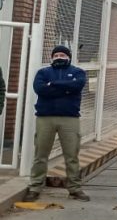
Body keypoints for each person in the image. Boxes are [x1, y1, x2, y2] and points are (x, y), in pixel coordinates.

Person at [22, 45, 89, 202]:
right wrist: (65, 87)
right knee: (41, 154)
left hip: (70, 119)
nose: (59, 57)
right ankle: (35, 187)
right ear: (52, 57)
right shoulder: (43, 73)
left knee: (71, 155)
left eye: (62, 55)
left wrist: (53, 85)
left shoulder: (78, 72)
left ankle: (75, 188)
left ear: (69, 57)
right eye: (56, 55)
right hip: (45, 118)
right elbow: (40, 89)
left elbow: (77, 86)